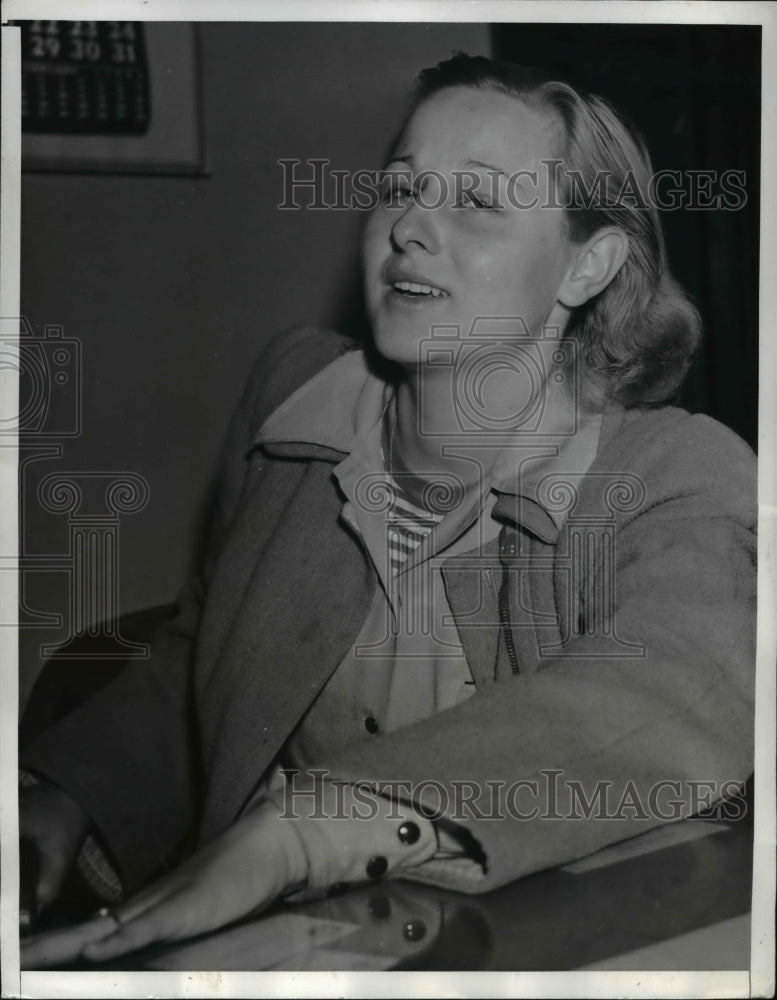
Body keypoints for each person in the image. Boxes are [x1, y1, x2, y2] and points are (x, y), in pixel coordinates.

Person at [20, 53, 756, 965]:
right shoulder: (293, 405)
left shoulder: (673, 474)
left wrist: (306, 829)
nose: (409, 227)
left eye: (477, 202)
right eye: (400, 188)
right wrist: (67, 793)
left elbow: (687, 688)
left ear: (587, 265)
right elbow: (206, 655)